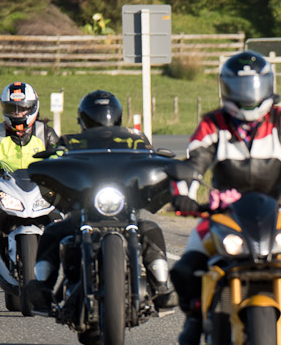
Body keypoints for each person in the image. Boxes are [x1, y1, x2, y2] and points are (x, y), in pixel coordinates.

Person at [170, 50, 281, 345]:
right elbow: (193, 164)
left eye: (255, 87)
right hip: (223, 213)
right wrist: (184, 197)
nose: (249, 96)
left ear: (268, 85)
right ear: (226, 88)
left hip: (277, 211)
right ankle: (194, 317)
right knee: (185, 268)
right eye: (241, 88)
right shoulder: (213, 123)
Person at [23, 90, 178, 311]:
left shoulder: (136, 141)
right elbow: (55, 160)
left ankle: (161, 287)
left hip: (123, 207)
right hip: (84, 209)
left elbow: (149, 158)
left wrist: (163, 164)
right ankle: (42, 288)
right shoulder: (70, 143)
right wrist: (47, 165)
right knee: (53, 232)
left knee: (151, 229)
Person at [0, 81, 59, 274]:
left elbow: (60, 158)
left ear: (32, 108)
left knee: (64, 216)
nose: (17, 114)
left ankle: (68, 255)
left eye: (22, 109)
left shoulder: (45, 133)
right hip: (8, 189)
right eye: (13, 109)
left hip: (41, 190)